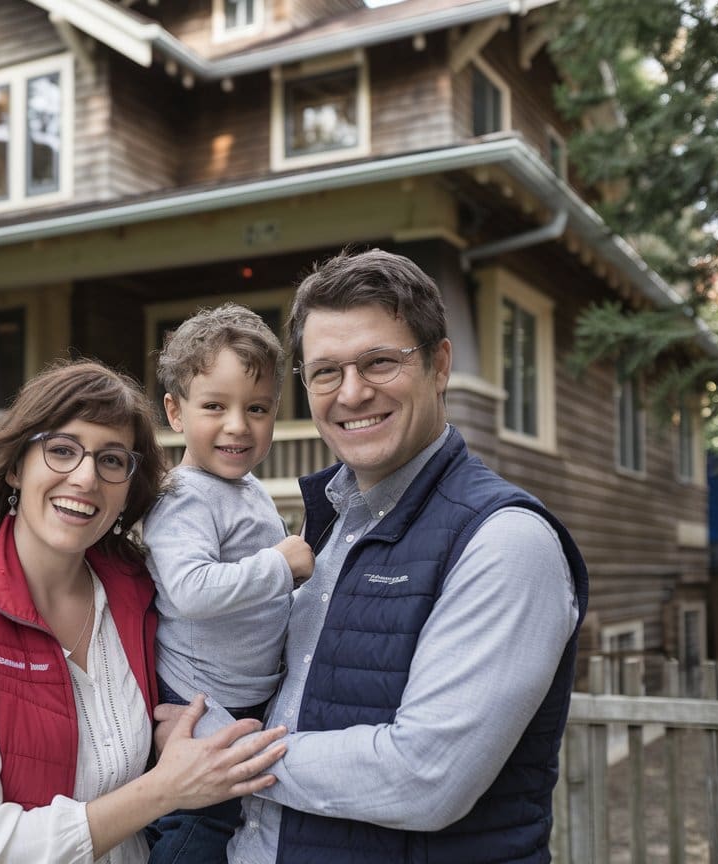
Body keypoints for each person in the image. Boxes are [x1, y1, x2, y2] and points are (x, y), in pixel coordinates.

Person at [218, 248, 590, 863]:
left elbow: (426, 776)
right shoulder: (326, 529)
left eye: (380, 362)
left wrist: (218, 755)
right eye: (325, 372)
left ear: (439, 365)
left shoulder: (504, 540)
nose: (353, 393)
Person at [0, 359, 288, 864]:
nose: (85, 477)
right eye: (61, 451)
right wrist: (165, 787)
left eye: (112, 460)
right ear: (15, 465)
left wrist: (163, 740)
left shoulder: (138, 593)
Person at [143, 305, 314, 864]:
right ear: (175, 411)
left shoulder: (248, 490)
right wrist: (279, 565)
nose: (238, 425)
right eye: (214, 406)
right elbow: (191, 590)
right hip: (200, 701)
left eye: (257, 408)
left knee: (238, 823)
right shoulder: (184, 495)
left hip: (247, 694)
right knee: (199, 825)